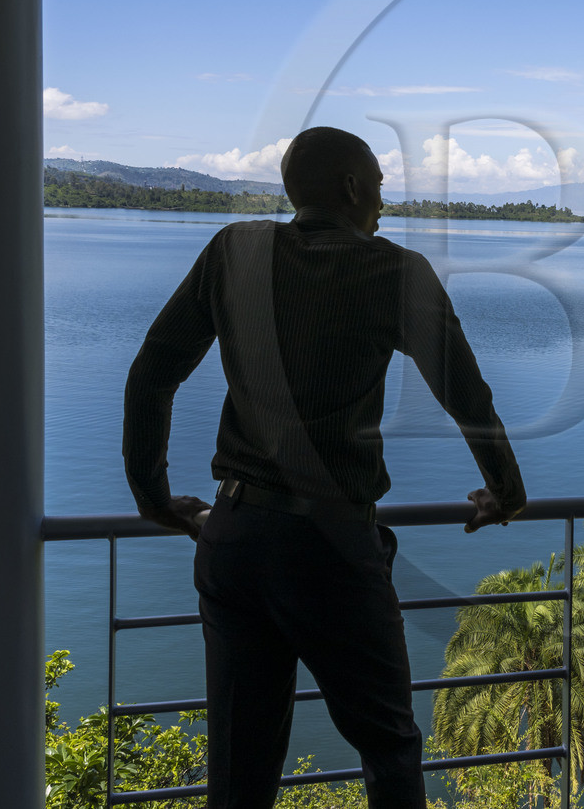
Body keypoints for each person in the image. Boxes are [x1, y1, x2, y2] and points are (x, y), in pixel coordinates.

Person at [122, 125, 527, 809]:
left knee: (239, 768)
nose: (384, 204)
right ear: (351, 187)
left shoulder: (234, 250)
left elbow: (152, 372)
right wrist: (507, 490)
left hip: (234, 537)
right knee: (388, 749)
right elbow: (467, 396)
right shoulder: (395, 272)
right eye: (379, 187)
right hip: (331, 549)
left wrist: (152, 496)